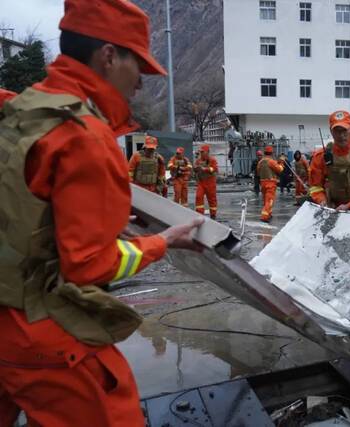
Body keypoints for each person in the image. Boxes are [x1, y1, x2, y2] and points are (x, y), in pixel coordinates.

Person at [0, 1, 204, 425]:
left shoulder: (18, 111)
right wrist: (161, 242)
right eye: (138, 67)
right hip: (39, 332)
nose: (141, 85)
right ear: (109, 56)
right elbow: (89, 264)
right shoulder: (85, 138)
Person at [257, 145, 284, 222]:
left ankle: (269, 213)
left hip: (262, 183)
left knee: (266, 200)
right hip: (270, 183)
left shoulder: (260, 162)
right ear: (271, 153)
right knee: (269, 200)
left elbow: (258, 173)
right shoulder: (271, 161)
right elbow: (280, 169)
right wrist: (281, 162)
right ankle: (264, 216)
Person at [194, 145, 218, 219]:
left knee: (212, 199)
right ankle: (199, 214)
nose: (201, 153)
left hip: (210, 182)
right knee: (198, 196)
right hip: (201, 182)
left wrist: (204, 169)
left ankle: (213, 215)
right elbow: (194, 169)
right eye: (200, 152)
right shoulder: (198, 160)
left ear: (207, 152)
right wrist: (195, 168)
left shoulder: (212, 160)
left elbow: (214, 169)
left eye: (202, 152)